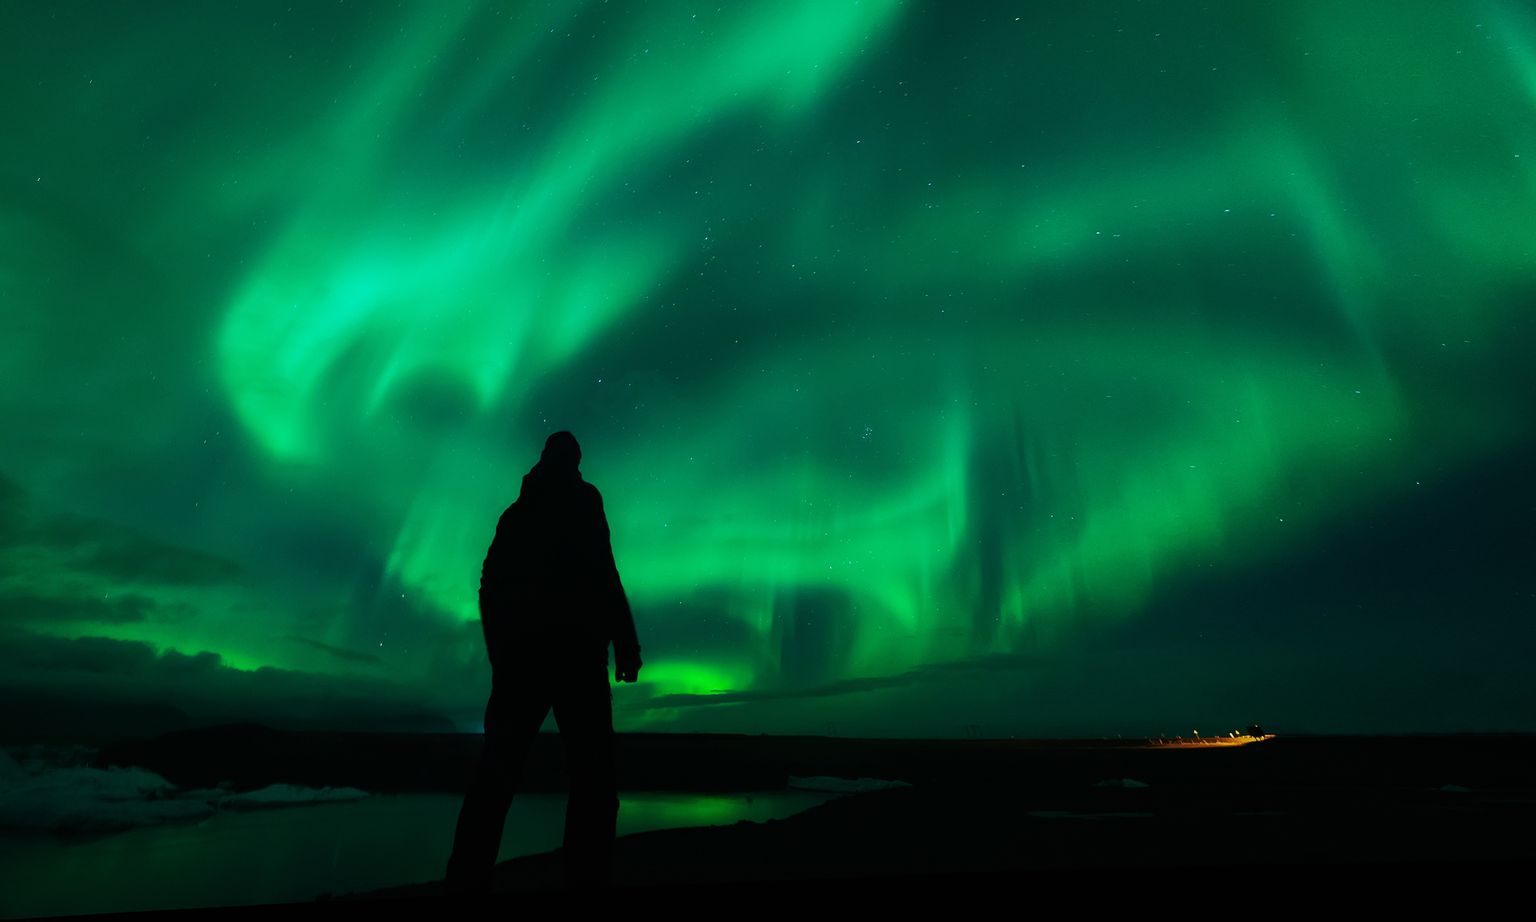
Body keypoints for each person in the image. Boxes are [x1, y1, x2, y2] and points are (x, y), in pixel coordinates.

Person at [445, 431, 643, 892]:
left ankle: (470, 881)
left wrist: (504, 657)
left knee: (509, 780)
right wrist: (624, 643)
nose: (571, 466)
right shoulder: (567, 505)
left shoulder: (527, 513)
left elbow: (494, 585)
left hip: (547, 661)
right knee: (580, 783)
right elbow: (601, 573)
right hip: (559, 660)